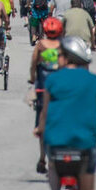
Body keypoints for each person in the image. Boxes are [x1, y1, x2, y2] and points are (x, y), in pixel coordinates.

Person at [37, 37, 96, 190]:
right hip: (84, 146)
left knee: (52, 167)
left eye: (60, 56)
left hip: (56, 145)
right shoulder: (93, 80)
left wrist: (40, 129)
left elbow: (45, 112)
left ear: (67, 58)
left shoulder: (52, 80)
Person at [28, 16, 63, 174]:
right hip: (60, 91)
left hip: (43, 89)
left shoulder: (41, 45)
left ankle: (42, 157)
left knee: (41, 125)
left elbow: (33, 64)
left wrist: (32, 78)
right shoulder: (63, 47)